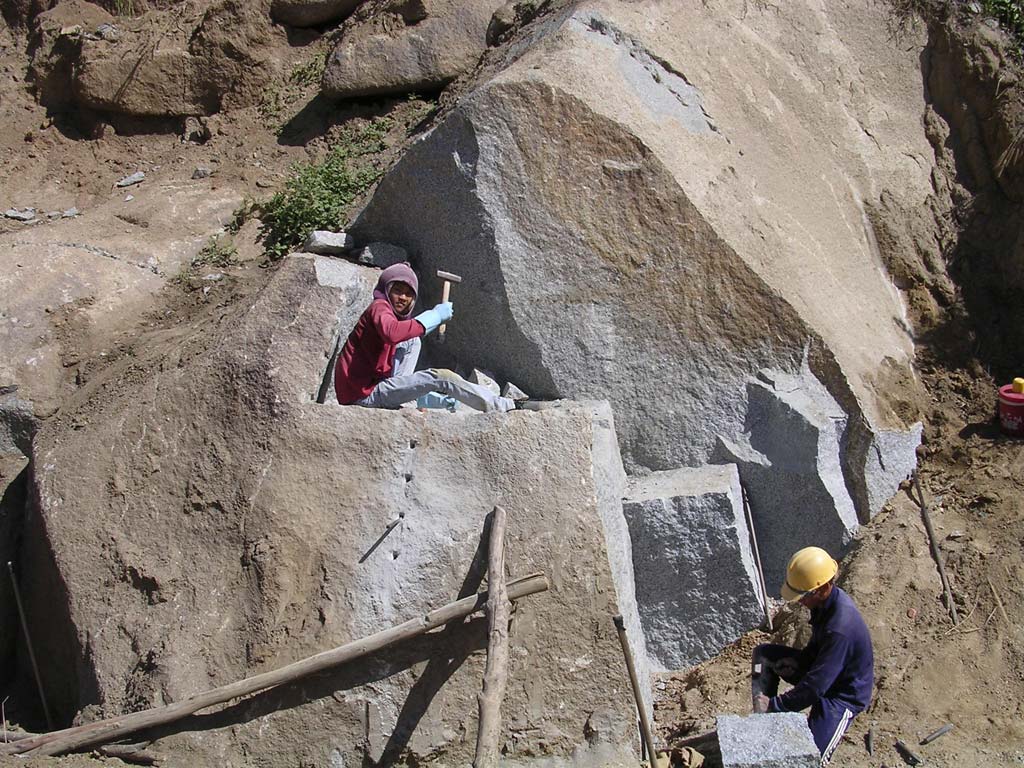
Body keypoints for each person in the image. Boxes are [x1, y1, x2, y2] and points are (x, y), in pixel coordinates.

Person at [334, 262, 517, 412]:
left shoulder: (390, 317)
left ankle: (408, 400)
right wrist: (434, 316)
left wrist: (432, 399)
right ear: (386, 289)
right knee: (441, 377)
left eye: (409, 294)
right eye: (397, 290)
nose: (403, 297)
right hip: (362, 395)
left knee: (411, 341)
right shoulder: (379, 307)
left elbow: (400, 336)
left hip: (374, 388)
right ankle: (501, 406)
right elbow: (392, 333)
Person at [751, 546, 874, 766]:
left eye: (803, 595)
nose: (800, 601)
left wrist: (776, 704)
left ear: (823, 588)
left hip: (841, 695)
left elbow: (816, 686)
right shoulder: (825, 604)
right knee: (763, 656)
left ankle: (768, 708)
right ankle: (764, 722)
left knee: (810, 760)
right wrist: (801, 661)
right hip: (823, 671)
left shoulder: (840, 628)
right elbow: (819, 651)